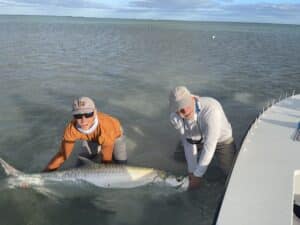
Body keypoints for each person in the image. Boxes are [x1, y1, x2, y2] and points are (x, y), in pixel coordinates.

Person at [169, 86, 236, 189]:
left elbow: (210, 145)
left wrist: (197, 175)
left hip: (221, 140)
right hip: (196, 138)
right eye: (178, 110)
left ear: (192, 99)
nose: (182, 115)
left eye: (183, 108)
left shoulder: (212, 109)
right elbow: (187, 143)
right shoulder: (175, 116)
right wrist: (192, 172)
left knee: (231, 174)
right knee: (178, 159)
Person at [43, 96, 127, 172]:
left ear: (95, 112)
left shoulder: (107, 127)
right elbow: (62, 155)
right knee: (81, 165)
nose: (83, 120)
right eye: (78, 115)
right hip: (91, 138)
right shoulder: (71, 130)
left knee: (121, 165)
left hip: (115, 135)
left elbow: (106, 160)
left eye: (88, 114)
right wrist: (44, 173)